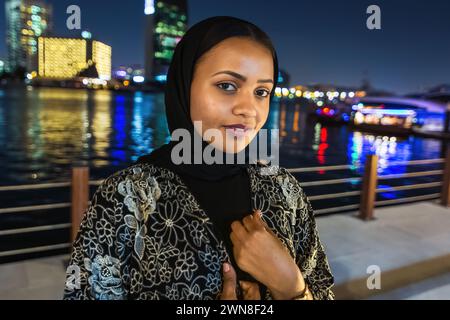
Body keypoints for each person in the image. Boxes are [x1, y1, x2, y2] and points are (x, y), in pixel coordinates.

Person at [63, 16, 334, 300]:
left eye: (261, 92)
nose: (249, 109)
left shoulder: (284, 191)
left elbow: (324, 290)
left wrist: (291, 286)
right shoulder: (127, 197)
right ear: (184, 85)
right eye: (227, 86)